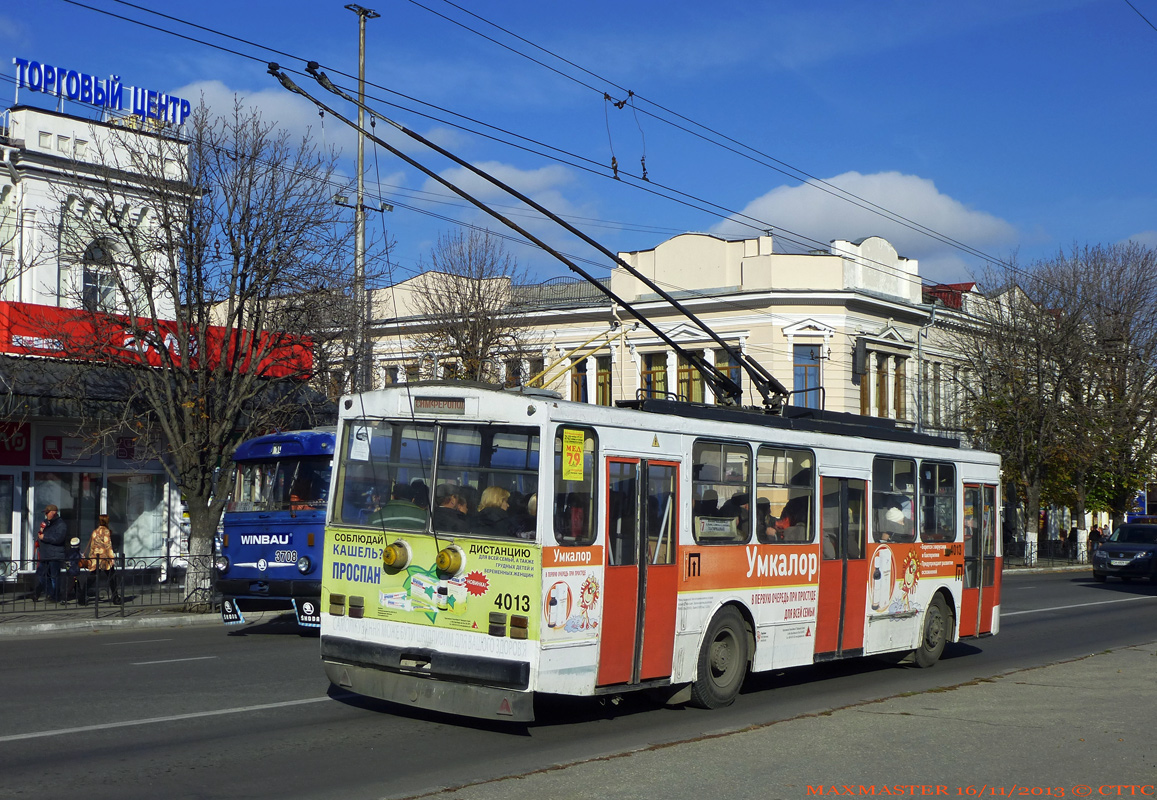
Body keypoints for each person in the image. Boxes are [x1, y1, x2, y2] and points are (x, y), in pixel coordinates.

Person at [34, 504, 68, 603]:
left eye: (47, 513)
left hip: (55, 554)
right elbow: (41, 535)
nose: (46, 515)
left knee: (54, 577)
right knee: (41, 575)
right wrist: (40, 534)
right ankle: (51, 593)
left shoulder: (61, 524)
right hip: (45, 554)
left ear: (53, 513)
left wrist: (44, 538)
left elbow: (59, 539)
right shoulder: (45, 523)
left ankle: (55, 596)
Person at [86, 514, 121, 604]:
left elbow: (92, 546)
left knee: (92, 577)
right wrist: (112, 558)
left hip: (95, 558)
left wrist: (91, 557)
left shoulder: (95, 531)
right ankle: (115, 597)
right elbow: (108, 545)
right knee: (112, 577)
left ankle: (82, 596)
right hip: (104, 559)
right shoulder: (106, 531)